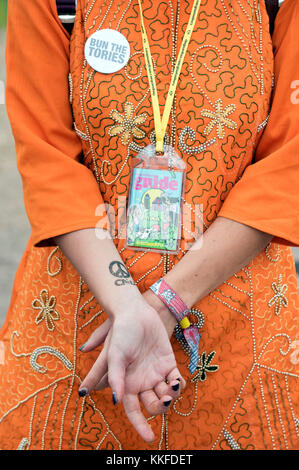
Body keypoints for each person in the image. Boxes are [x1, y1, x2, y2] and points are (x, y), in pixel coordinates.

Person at [0, 0, 298, 450]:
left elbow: (287, 167)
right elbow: (48, 160)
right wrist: (127, 305)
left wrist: (158, 304)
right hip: (78, 339)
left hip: (244, 340)